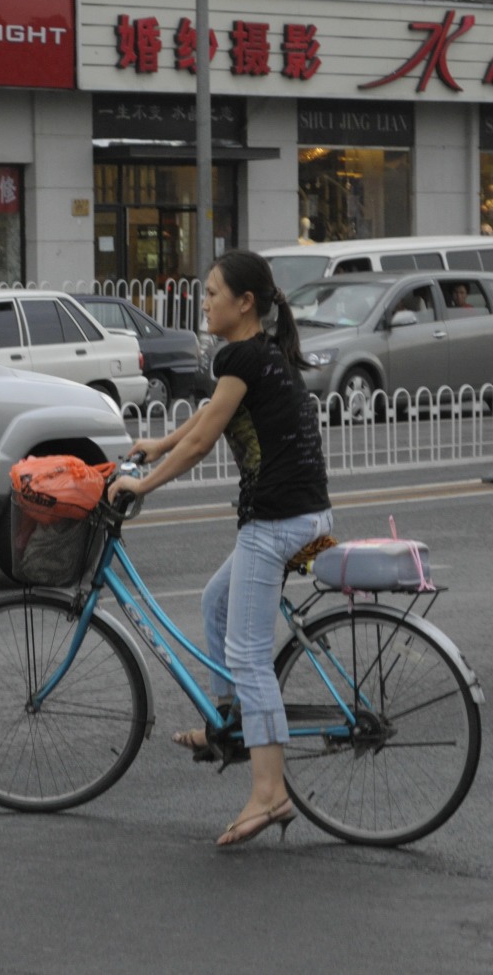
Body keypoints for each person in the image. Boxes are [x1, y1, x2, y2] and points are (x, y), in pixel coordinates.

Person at [106, 250, 333, 847]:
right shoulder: (262, 354)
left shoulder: (241, 356)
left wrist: (142, 485)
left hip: (277, 522)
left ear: (245, 303)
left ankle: (270, 793)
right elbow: (213, 414)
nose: (203, 303)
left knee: (249, 656)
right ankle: (228, 724)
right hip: (307, 515)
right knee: (216, 601)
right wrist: (159, 443)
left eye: (211, 293)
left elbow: (204, 440)